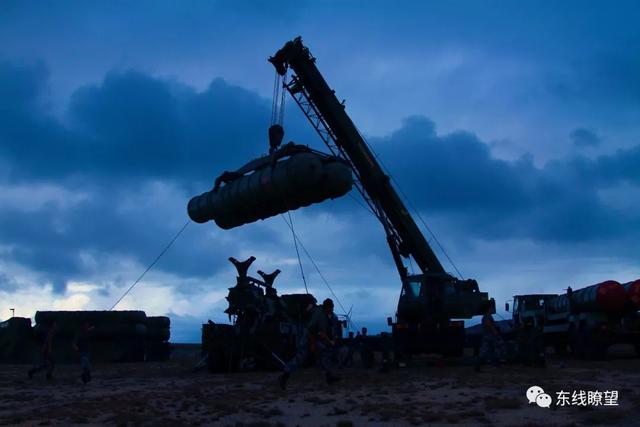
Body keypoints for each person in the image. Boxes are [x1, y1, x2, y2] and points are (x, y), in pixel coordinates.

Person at [279, 298, 340, 389]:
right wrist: (312, 344)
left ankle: (329, 376)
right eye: (329, 308)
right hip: (308, 337)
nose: (331, 310)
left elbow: (333, 331)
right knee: (300, 358)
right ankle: (285, 376)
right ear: (325, 308)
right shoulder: (318, 314)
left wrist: (332, 341)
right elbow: (310, 330)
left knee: (325, 354)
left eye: (332, 308)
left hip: (320, 339)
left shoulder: (333, 317)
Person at [475, 303, 506, 372]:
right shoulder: (487, 316)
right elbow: (488, 324)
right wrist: (494, 331)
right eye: (491, 308)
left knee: (491, 350)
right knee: (498, 347)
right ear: (489, 309)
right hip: (489, 336)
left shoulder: (488, 316)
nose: (492, 309)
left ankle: (495, 364)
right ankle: (480, 365)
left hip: (489, 336)